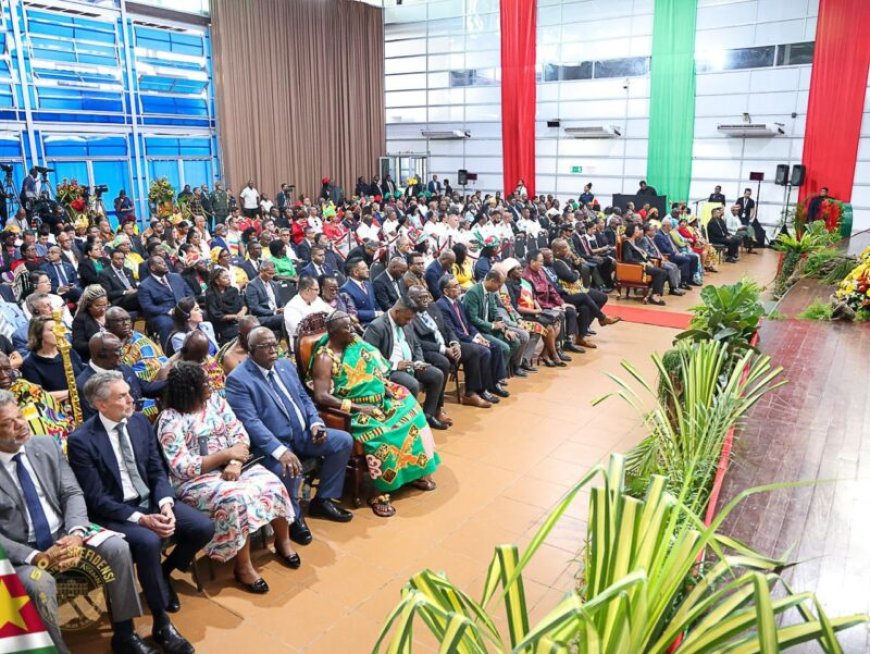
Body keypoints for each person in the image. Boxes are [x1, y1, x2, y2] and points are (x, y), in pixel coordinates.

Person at [68, 371, 215, 654]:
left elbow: (156, 470)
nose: (131, 399)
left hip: (150, 502)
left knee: (202, 527)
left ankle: (163, 573)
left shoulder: (138, 423)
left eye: (128, 392)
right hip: (116, 513)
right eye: (122, 396)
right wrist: (142, 519)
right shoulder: (82, 440)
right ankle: (162, 623)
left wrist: (165, 505)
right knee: (148, 541)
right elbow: (96, 499)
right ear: (101, 405)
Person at [0, 391, 152, 654]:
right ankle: (58, 650)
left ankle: (125, 633)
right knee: (39, 584)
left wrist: (76, 534)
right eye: (7, 423)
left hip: (64, 532)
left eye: (20, 416)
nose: (21, 425)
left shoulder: (45, 444)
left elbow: (71, 492)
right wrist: (36, 556)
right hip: (21, 552)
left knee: (117, 547)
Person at [157, 363, 298, 594]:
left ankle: (283, 542)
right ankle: (243, 567)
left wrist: (234, 462)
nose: (211, 384)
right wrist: (224, 455)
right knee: (237, 499)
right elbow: (181, 466)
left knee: (271, 482)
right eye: (204, 382)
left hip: (234, 465)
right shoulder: (170, 419)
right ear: (188, 388)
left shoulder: (216, 403)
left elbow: (239, 434)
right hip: (196, 479)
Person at [225, 327, 354, 546]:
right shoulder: (239, 379)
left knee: (343, 441)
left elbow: (304, 397)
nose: (274, 351)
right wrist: (280, 450)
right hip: (273, 444)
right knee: (289, 467)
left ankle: (322, 500)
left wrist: (315, 423)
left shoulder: (285, 365)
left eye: (275, 344)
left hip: (304, 434)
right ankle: (294, 517)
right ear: (252, 351)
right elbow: (251, 423)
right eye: (266, 347)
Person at [310, 311, 440, 518]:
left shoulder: (356, 344)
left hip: (379, 399)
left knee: (414, 414)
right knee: (384, 434)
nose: (352, 330)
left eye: (352, 326)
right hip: (353, 410)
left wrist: (383, 386)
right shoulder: (325, 358)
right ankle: (380, 491)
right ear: (334, 332)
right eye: (347, 328)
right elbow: (322, 396)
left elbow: (375, 370)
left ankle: (413, 473)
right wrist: (357, 408)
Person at [363, 296, 449, 430]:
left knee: (437, 375)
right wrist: (396, 365)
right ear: (397, 311)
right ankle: (409, 423)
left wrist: (419, 361)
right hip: (389, 370)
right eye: (407, 319)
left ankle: (427, 416)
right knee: (412, 384)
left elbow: (416, 346)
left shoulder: (405, 323)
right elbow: (369, 357)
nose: (409, 322)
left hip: (411, 365)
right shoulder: (377, 326)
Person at [407, 284, 497, 408]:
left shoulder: (432, 307)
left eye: (427, 297)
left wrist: (454, 344)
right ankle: (438, 406)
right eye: (421, 298)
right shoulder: (409, 315)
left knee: (475, 351)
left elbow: (447, 328)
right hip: (429, 349)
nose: (426, 301)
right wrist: (444, 350)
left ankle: (470, 394)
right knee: (443, 362)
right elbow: (418, 342)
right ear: (411, 298)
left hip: (446, 344)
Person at [76, 332, 167, 422]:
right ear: (102, 355)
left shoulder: (124, 368)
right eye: (117, 350)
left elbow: (146, 388)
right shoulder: (84, 384)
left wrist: (175, 381)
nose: (122, 353)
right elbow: (94, 423)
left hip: (138, 423)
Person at [0, 352, 74, 447]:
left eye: (7, 370)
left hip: (50, 441)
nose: (3, 376)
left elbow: (52, 419)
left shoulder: (27, 389)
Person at [463, 271, 525, 376]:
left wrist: (505, 330)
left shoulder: (491, 292)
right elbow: (473, 319)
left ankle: (496, 373)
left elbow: (495, 312)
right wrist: (492, 326)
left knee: (515, 342)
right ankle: (495, 377)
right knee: (504, 348)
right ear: (492, 281)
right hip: (477, 331)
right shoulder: (473, 292)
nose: (500, 288)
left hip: (490, 329)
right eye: (499, 285)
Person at [502, 261, 562, 368]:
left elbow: (533, 298)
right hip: (521, 315)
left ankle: (544, 354)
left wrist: (538, 309)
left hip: (531, 311)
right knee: (546, 328)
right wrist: (535, 312)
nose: (521, 270)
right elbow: (515, 308)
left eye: (521, 268)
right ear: (510, 272)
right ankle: (549, 355)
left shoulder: (524, 282)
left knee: (556, 321)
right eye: (517, 269)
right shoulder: (508, 286)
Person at [21, 316, 84, 395]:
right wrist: (74, 392)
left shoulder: (68, 351)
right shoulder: (30, 364)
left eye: (59, 329)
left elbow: (83, 376)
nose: (58, 333)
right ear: (39, 334)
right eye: (52, 330)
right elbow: (39, 395)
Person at [138, 256, 190, 347]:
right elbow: (147, 307)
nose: (164, 264)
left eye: (164, 262)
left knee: (202, 315)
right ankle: (170, 353)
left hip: (183, 309)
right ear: (152, 268)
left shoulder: (176, 277)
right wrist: (168, 311)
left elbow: (189, 294)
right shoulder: (144, 285)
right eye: (160, 263)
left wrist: (191, 306)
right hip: (163, 314)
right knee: (166, 324)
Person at [621, 223, 668, 305]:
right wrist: (642, 263)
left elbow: (642, 254)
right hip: (638, 267)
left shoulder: (634, 242)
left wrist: (648, 260)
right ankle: (654, 296)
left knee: (663, 271)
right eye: (637, 230)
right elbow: (628, 258)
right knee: (661, 273)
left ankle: (653, 294)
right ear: (632, 232)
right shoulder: (626, 243)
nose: (639, 232)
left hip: (643, 264)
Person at [205, 266, 247, 344]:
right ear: (217, 281)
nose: (228, 279)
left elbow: (243, 305)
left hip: (239, 320)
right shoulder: (211, 295)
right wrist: (235, 316)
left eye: (228, 276)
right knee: (245, 332)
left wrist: (242, 312)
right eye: (225, 277)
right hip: (224, 326)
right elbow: (217, 316)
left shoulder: (233, 290)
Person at [284, 276, 330, 342]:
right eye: (316, 290)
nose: (318, 293)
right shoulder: (291, 307)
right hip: (303, 344)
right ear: (308, 290)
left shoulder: (318, 300)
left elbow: (331, 313)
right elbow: (299, 330)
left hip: (322, 337)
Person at [244, 259, 284, 332]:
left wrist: (283, 309)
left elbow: (280, 302)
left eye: (274, 273)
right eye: (270, 273)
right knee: (284, 318)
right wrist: (274, 312)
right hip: (262, 317)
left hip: (277, 314)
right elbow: (254, 308)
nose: (272, 276)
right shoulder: (252, 285)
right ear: (261, 271)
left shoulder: (274, 284)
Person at [71, 284, 109, 361]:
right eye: (98, 306)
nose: (103, 309)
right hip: (95, 359)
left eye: (105, 305)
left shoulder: (111, 313)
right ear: (89, 306)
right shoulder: (81, 319)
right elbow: (78, 345)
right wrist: (99, 344)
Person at [341, 258, 380, 326]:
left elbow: (375, 303)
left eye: (367, 267)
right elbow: (352, 312)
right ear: (355, 272)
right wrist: (375, 313)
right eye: (364, 269)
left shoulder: (368, 284)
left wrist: (382, 313)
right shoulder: (345, 289)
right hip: (363, 325)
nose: (368, 270)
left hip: (377, 321)